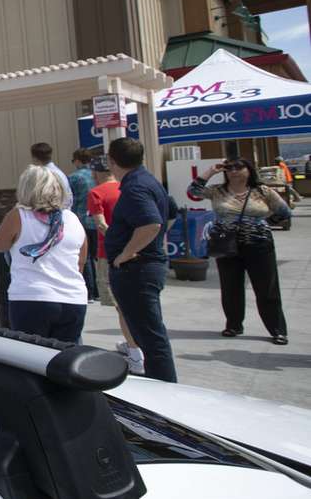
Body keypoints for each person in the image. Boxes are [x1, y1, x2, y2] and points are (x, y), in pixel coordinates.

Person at [188, 158, 291, 345]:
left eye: (239, 167)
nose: (234, 171)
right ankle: (234, 325)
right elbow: (193, 191)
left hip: (259, 245)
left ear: (249, 170)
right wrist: (211, 171)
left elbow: (284, 212)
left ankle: (277, 329)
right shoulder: (218, 191)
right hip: (227, 246)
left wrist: (261, 225)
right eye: (229, 168)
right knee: (230, 288)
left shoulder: (262, 191)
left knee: (266, 288)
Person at [105, 137, 179, 383]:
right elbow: (171, 212)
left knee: (149, 336)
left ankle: (164, 387)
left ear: (111, 161)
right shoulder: (148, 181)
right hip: (146, 266)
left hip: (137, 269)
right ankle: (161, 379)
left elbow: (151, 223)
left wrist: (126, 253)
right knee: (148, 333)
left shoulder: (135, 187)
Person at [0, 166, 88, 340]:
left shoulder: (19, 216)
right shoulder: (72, 219)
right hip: (73, 298)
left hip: (31, 297)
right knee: (64, 360)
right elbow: (81, 261)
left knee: (30, 359)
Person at [88, 156, 142, 374]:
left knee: (122, 306)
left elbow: (101, 224)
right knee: (135, 303)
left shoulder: (96, 193)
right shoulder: (128, 188)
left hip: (110, 254)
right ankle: (133, 343)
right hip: (139, 253)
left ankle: (135, 352)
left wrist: (119, 245)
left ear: (95, 172)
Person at [68, 148, 97, 301]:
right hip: (97, 220)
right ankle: (100, 291)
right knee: (97, 257)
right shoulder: (96, 176)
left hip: (80, 221)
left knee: (85, 257)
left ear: (77, 160)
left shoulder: (73, 178)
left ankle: (90, 292)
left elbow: (67, 200)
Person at [30, 142, 72, 208]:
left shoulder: (44, 175)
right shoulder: (60, 173)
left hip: (54, 214)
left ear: (35, 158)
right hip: (65, 212)